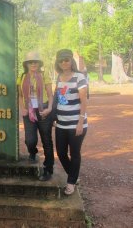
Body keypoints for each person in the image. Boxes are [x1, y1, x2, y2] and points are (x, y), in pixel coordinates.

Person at [54, 49, 88, 195]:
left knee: (74, 153)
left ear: (71, 61)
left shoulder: (79, 77)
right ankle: (73, 176)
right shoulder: (59, 77)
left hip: (76, 123)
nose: (64, 63)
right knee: (61, 153)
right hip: (61, 123)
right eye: (61, 60)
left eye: (66, 60)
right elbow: (59, 100)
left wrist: (80, 121)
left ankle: (71, 182)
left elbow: (84, 101)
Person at [17, 51, 54, 181]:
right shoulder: (21, 77)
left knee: (46, 141)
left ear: (39, 64)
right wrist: (22, 109)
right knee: (30, 140)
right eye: (30, 62)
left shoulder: (44, 76)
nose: (33, 64)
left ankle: (48, 169)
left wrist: (49, 108)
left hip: (43, 111)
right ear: (26, 64)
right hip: (28, 112)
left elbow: (50, 95)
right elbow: (20, 95)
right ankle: (32, 152)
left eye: (36, 62)